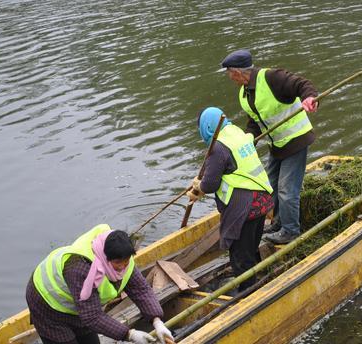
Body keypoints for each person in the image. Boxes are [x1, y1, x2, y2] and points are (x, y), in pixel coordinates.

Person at [221, 49, 318, 244]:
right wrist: (249, 139)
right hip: (277, 145)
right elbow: (254, 122)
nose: (230, 78)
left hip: (296, 140)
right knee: (270, 186)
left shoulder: (271, 77)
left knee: (286, 189)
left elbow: (302, 84)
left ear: (238, 72)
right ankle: (278, 223)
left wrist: (309, 97)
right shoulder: (244, 94)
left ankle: (291, 231)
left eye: (230, 73)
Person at [26, 224, 174, 344]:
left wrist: (157, 321)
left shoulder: (123, 257)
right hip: (47, 305)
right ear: (105, 258)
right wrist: (129, 334)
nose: (123, 266)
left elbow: (141, 290)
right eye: (117, 263)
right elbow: (92, 317)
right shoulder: (81, 269)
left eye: (126, 261)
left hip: (79, 306)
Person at [188, 107, 274, 291]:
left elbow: (210, 184)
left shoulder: (218, 147)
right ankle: (253, 281)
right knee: (250, 248)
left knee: (240, 257)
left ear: (207, 128)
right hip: (262, 201)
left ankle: (248, 293)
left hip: (245, 208)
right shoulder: (235, 132)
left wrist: (198, 187)